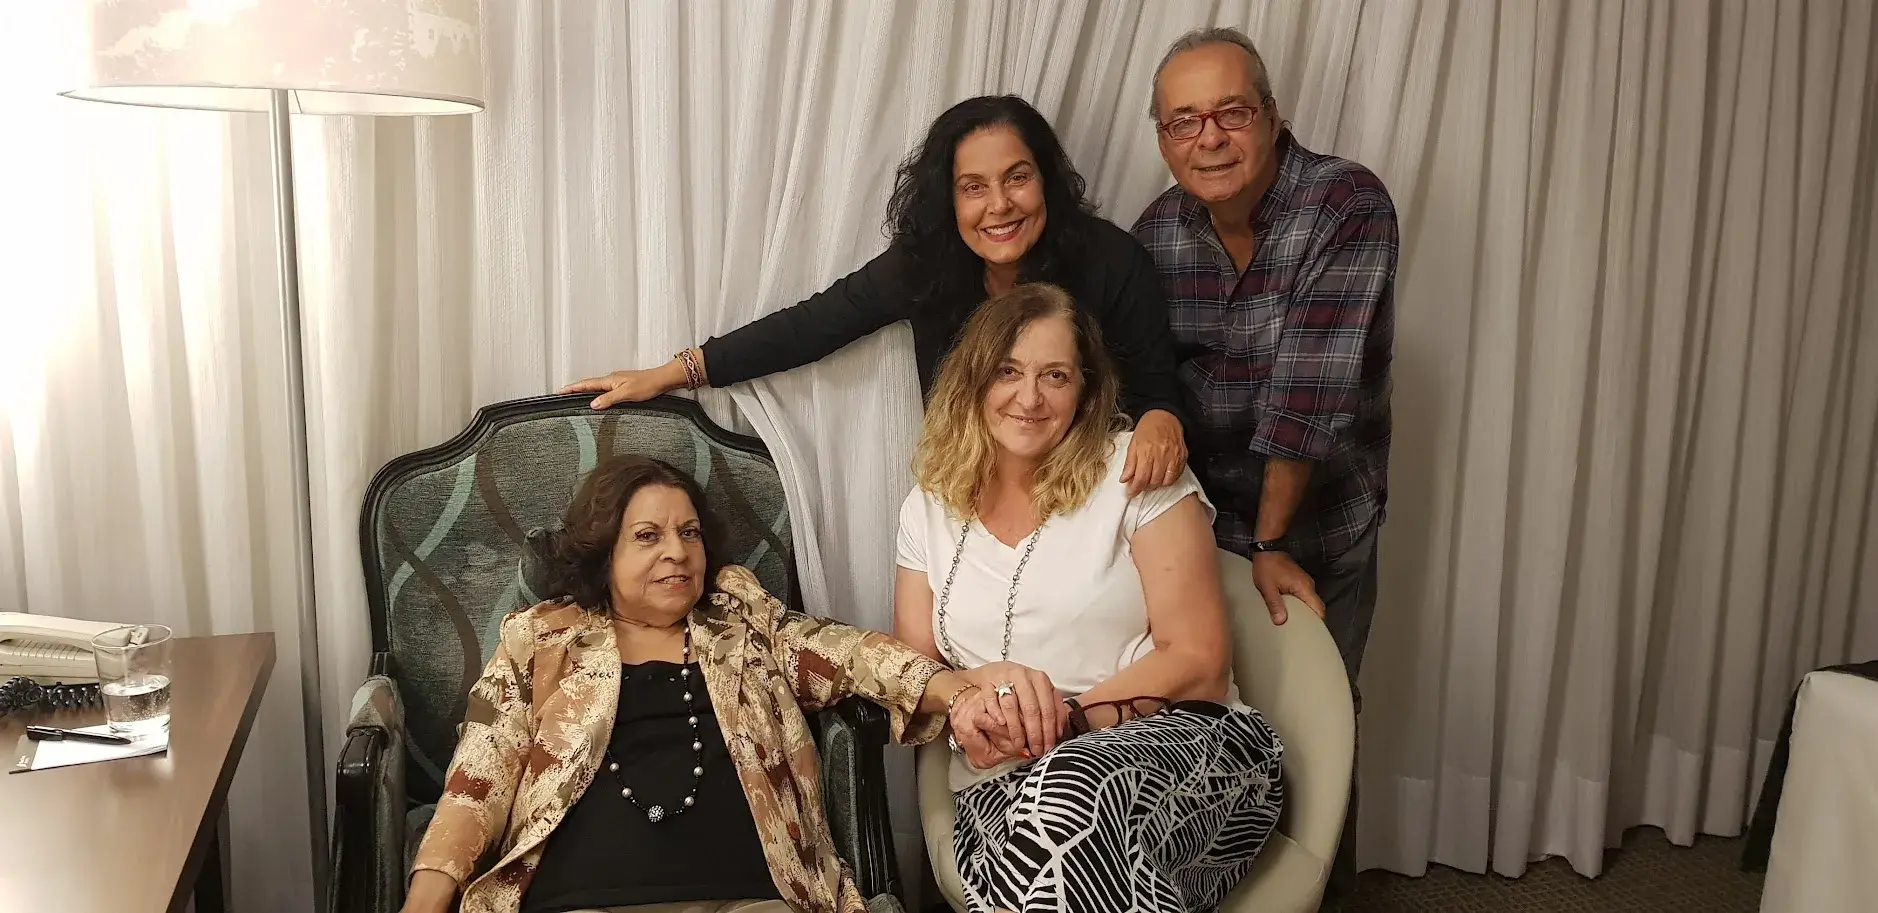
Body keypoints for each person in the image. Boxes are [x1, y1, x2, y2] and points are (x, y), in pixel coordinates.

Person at [398, 455, 1011, 913]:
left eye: (689, 533)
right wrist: (426, 900)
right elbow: (477, 777)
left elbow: (846, 652)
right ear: (603, 552)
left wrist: (955, 690)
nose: (677, 552)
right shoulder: (541, 638)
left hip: (751, 896)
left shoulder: (741, 617)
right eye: (648, 536)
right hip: (579, 898)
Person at [563, 95, 1190, 495]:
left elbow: (1157, 390)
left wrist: (1162, 419)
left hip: (1086, 489)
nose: (999, 205)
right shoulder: (928, 266)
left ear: (1046, 181)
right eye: (974, 187)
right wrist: (672, 373)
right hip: (974, 491)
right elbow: (811, 325)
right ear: (948, 199)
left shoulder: (1110, 260)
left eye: (1017, 178)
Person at [893, 283, 1285, 912]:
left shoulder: (1135, 471)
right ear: (972, 380)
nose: (1029, 398)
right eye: (1007, 371)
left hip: (1187, 748)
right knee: (1042, 861)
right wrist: (967, 701)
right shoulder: (928, 504)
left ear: (1085, 390)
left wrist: (1063, 723)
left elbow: (1201, 663)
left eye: (1055, 375)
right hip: (1004, 779)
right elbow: (913, 667)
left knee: (1064, 805)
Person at [1131, 25, 1399, 901]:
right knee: (1209, 731)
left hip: (1316, 527)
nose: (1209, 138)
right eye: (1184, 121)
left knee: (1320, 728)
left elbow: (1305, 401)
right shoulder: (1155, 234)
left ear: (1274, 118)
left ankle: (1325, 896)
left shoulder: (1346, 204)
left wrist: (1272, 543)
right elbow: (1140, 385)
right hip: (1205, 534)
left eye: (1232, 113)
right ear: (1162, 137)